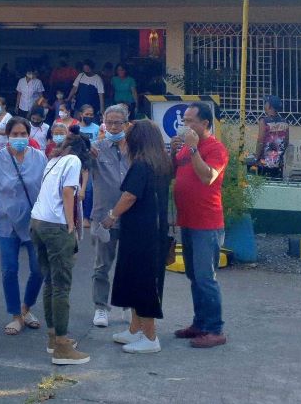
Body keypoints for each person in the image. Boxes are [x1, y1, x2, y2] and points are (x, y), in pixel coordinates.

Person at [103, 119, 172, 354]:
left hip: (143, 234)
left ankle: (150, 336)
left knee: (143, 282)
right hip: (150, 231)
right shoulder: (161, 162)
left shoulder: (141, 165)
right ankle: (135, 329)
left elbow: (129, 196)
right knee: (133, 278)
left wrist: (111, 215)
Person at [169, 101, 229, 348]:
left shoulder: (215, 149)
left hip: (207, 222)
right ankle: (200, 323)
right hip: (188, 220)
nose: (186, 126)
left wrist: (193, 150)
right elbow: (176, 174)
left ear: (205, 123)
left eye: (191, 121)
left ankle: (215, 329)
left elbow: (207, 177)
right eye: (185, 121)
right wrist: (173, 153)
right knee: (194, 275)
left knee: (206, 277)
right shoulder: (185, 149)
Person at [30, 129, 91, 365]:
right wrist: (70, 225)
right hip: (56, 226)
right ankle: (63, 347)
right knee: (62, 285)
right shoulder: (74, 161)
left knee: (50, 281)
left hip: (38, 222)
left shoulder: (53, 160)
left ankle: (53, 337)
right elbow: (68, 192)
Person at [0, 116, 45, 336]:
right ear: (7, 136)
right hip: (5, 222)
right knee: (9, 270)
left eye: (23, 134)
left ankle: (26, 307)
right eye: (15, 134)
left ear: (29, 135)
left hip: (35, 223)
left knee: (39, 269)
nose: (19, 138)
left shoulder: (40, 158)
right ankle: (15, 315)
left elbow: (48, 191)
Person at [88, 104, 131, 328]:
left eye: (118, 123)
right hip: (103, 217)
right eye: (110, 122)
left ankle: (128, 306)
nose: (114, 127)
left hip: (131, 217)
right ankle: (100, 307)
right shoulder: (96, 148)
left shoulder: (135, 149)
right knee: (102, 265)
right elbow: (78, 161)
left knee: (129, 264)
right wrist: (84, 148)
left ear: (126, 124)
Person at [76, 105, 100, 225]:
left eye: (91, 114)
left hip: (90, 162)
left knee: (89, 189)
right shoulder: (75, 127)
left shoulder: (97, 128)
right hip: (76, 161)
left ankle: (86, 216)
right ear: (81, 114)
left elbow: (99, 143)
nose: (89, 116)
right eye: (87, 114)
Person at [255, 95, 289, 178]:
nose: (264, 105)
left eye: (265, 103)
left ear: (269, 106)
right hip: (278, 164)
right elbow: (286, 142)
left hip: (264, 163)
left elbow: (260, 141)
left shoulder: (264, 121)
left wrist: (256, 158)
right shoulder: (285, 122)